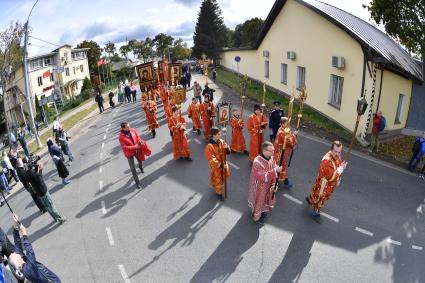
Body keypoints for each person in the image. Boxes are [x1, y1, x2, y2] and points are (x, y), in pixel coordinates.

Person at [8, 214, 62, 282]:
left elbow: (17, 244)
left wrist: (16, 227)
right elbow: (30, 251)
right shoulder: (28, 269)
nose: (15, 253)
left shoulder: (22, 263)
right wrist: (24, 233)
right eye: (15, 255)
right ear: (18, 264)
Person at [306, 141, 347, 223]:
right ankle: (315, 212)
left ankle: (310, 199)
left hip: (328, 183)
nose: (337, 154)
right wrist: (341, 169)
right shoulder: (326, 161)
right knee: (321, 197)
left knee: (315, 193)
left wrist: (338, 177)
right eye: (335, 151)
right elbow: (330, 177)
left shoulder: (336, 157)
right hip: (323, 184)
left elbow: (337, 166)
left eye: (339, 152)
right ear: (331, 150)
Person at [248, 141, 283, 225]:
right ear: (264, 151)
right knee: (260, 201)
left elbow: (274, 168)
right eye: (271, 150)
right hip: (260, 187)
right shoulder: (257, 162)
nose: (273, 152)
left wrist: (275, 183)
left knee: (267, 200)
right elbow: (262, 177)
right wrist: (275, 170)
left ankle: (264, 212)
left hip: (269, 185)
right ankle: (257, 215)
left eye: (273, 150)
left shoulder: (271, 158)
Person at [25, 156, 67, 224]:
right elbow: (39, 180)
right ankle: (60, 219)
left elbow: (35, 176)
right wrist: (40, 169)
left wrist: (36, 167)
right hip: (43, 191)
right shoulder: (33, 173)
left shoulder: (27, 173)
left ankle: (55, 218)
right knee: (51, 205)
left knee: (47, 207)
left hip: (39, 193)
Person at [119, 122, 150, 189]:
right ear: (123, 128)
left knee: (140, 160)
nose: (129, 128)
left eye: (129, 126)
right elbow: (124, 148)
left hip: (137, 150)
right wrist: (135, 147)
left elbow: (137, 137)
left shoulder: (132, 130)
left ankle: (140, 167)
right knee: (133, 169)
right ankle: (137, 182)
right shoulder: (121, 137)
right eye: (127, 127)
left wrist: (140, 141)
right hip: (129, 154)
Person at [204, 127, 230, 200]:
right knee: (218, 179)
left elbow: (228, 151)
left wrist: (227, 148)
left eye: (220, 133)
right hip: (216, 166)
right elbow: (211, 159)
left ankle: (220, 187)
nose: (220, 135)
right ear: (214, 135)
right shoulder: (209, 146)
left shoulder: (221, 141)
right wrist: (221, 165)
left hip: (223, 163)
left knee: (223, 177)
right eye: (219, 134)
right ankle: (219, 192)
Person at [273, 117, 298, 189]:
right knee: (279, 166)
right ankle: (278, 181)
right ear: (282, 124)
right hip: (280, 153)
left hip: (285, 152)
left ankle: (283, 181)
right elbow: (287, 141)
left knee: (283, 166)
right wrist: (294, 136)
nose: (288, 125)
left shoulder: (286, 129)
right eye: (286, 123)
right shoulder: (281, 132)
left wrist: (293, 138)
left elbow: (290, 138)